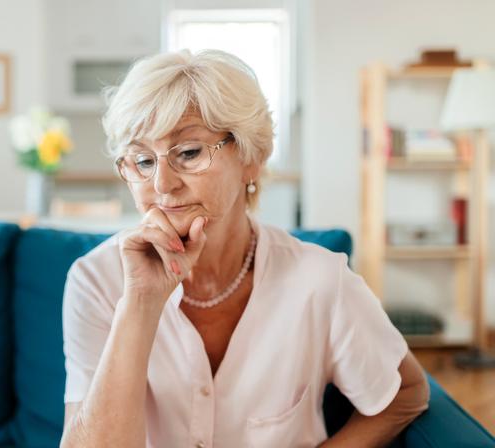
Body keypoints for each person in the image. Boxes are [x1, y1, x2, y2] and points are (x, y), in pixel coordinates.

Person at [59, 49, 429, 447]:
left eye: (188, 153)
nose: (162, 184)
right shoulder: (96, 279)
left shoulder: (319, 280)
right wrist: (142, 303)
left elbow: (406, 395)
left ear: (252, 158)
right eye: (143, 161)